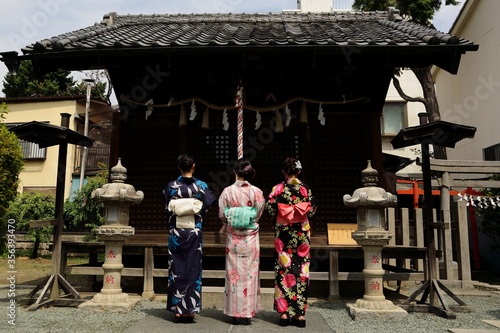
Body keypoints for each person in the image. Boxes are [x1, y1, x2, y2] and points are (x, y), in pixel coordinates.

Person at [163, 154, 215, 323]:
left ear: (179, 167)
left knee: (176, 267)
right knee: (193, 266)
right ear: (193, 166)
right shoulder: (201, 186)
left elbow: (167, 208)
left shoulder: (171, 186)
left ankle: (177, 310)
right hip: (194, 231)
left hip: (177, 232)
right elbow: (209, 203)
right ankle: (190, 310)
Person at [265, 157, 317, 328]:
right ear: (299, 171)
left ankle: (284, 313)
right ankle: (300, 315)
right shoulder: (305, 189)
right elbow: (313, 210)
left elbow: (271, 209)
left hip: (284, 234)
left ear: (284, 172)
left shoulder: (278, 188)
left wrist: (284, 211)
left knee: (283, 270)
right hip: (301, 233)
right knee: (302, 271)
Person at [218, 159, 265, 325]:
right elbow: (258, 213)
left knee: (233, 275)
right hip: (251, 237)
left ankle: (234, 313)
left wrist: (232, 219)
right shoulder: (256, 192)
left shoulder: (227, 192)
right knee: (250, 276)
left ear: (235, 172)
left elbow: (223, 214)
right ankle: (247, 313)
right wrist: (248, 219)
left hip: (233, 238)